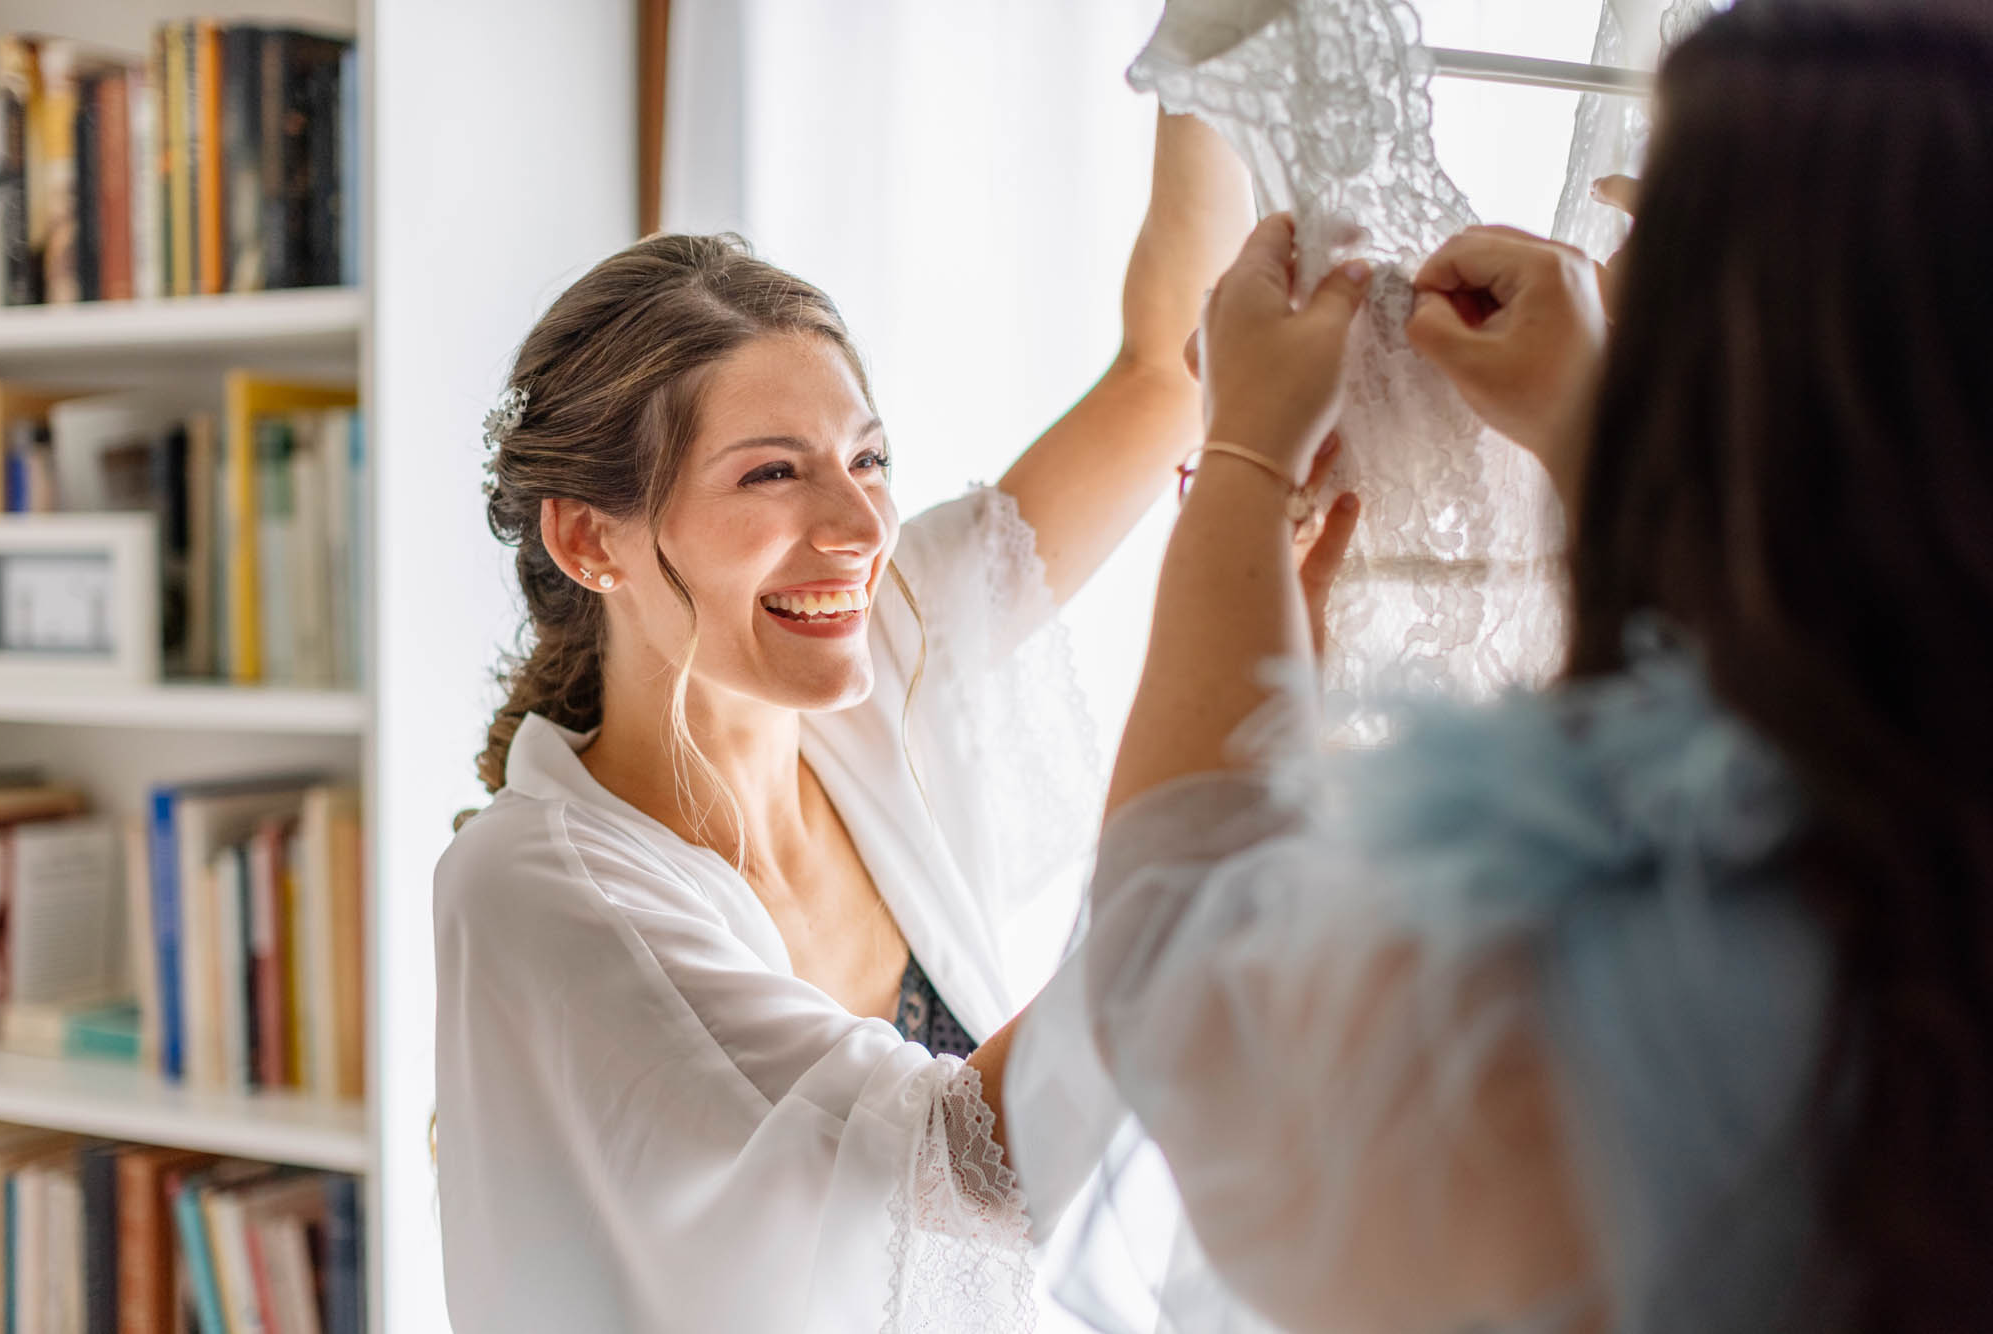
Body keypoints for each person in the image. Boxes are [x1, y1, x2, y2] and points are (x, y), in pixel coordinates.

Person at [1010, 2, 1993, 1331]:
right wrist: (1607, 443)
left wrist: (1242, 461)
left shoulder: (1654, 967)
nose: (1615, 244)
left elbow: (1181, 966)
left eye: (1661, 225)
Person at [431, 111, 1262, 1333]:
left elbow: (1170, 372)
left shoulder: (879, 666)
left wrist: (1221, 51)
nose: (861, 530)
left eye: (866, 460)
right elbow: (984, 1162)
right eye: (770, 473)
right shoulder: (537, 886)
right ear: (585, 536)